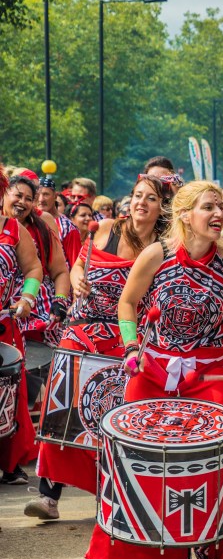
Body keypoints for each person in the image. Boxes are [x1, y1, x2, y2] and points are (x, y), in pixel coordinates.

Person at [86, 181, 223, 559]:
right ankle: (126, 548)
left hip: (210, 374)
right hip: (152, 372)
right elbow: (127, 304)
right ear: (185, 215)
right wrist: (132, 347)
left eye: (221, 206)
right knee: (129, 452)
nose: (219, 213)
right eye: (208, 207)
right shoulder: (156, 254)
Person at [24, 174, 174, 520]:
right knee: (61, 410)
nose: (140, 203)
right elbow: (80, 262)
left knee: (112, 416)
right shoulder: (105, 227)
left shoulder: (164, 246)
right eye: (137, 196)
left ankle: (111, 489)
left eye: (150, 198)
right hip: (81, 329)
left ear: (161, 206)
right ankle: (49, 495)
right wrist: (76, 276)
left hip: (126, 340)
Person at [0, 166, 43, 486]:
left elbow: (33, 268)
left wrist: (27, 299)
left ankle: (9, 462)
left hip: (4, 322)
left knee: (8, 397)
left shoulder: (14, 229)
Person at [4, 176, 70, 346]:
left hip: (37, 306)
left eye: (28, 199)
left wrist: (60, 301)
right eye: (18, 196)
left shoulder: (43, 222)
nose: (22, 202)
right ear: (4, 194)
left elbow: (60, 271)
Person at [36, 175, 81, 267]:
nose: (41, 199)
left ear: (55, 196)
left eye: (46, 194)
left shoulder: (68, 228)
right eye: (37, 194)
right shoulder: (27, 221)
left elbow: (76, 265)